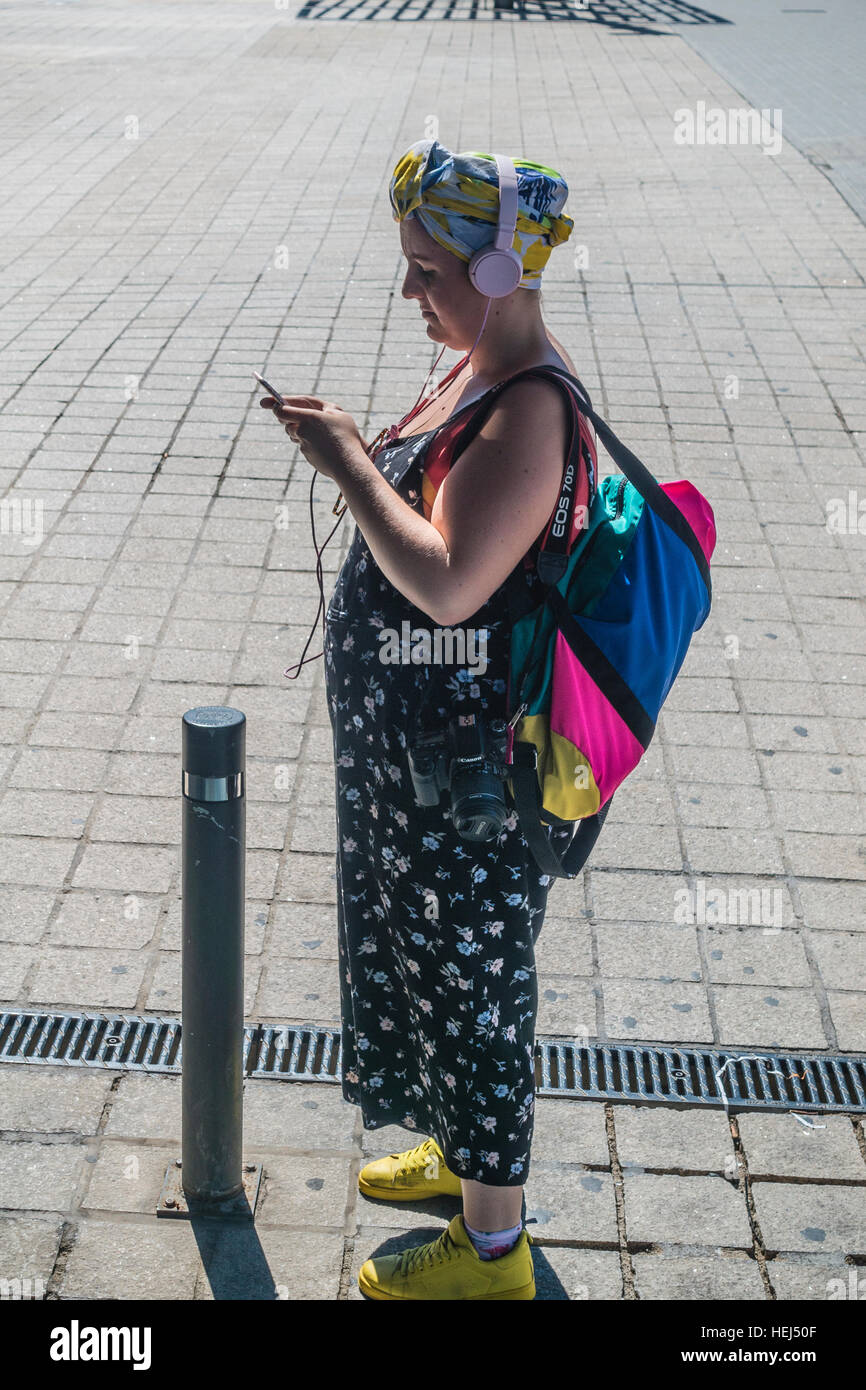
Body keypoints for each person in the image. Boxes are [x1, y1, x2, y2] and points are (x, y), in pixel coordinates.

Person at [260, 139, 597, 1300]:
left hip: (467, 783)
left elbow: (451, 582)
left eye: (427, 271)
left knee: (477, 988)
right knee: (423, 962)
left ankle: (492, 1251)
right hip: (412, 769)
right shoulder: (474, 369)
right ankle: (460, 1164)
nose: (410, 293)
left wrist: (348, 461)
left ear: (501, 270)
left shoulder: (529, 408)